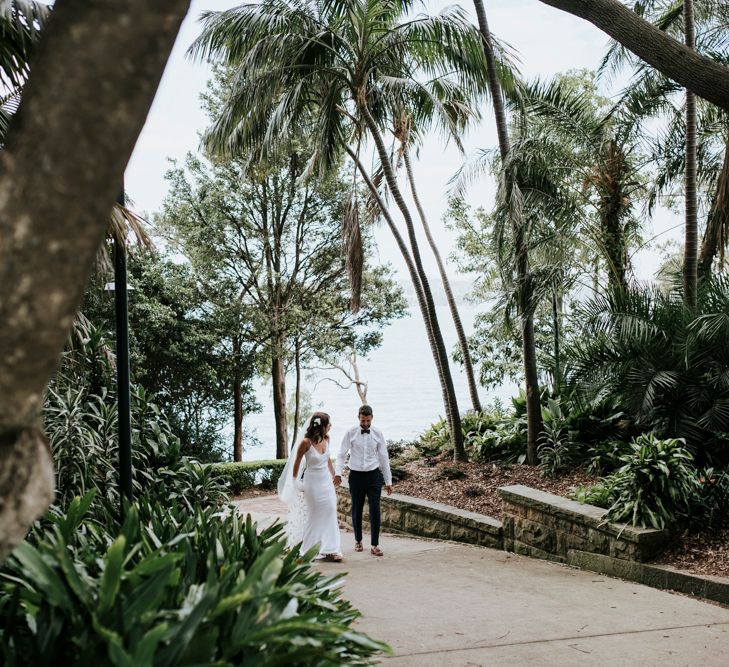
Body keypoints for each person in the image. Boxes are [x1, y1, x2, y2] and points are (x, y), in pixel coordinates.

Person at [278, 411, 343, 562]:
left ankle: (331, 549)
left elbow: (327, 460)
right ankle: (306, 550)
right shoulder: (305, 442)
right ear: (323, 426)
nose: (331, 426)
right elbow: (296, 464)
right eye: (329, 424)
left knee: (331, 511)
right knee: (315, 516)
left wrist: (335, 475)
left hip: (326, 482)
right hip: (312, 483)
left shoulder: (327, 438)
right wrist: (296, 483)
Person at [334, 404, 392, 556]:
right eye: (363, 421)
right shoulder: (351, 432)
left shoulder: (378, 433)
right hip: (356, 476)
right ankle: (358, 540)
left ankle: (374, 545)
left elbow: (384, 457)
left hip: (373, 476)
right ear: (358, 418)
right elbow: (341, 454)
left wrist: (388, 481)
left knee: (375, 510)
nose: (365, 424)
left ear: (372, 418)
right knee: (356, 509)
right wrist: (337, 473)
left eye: (368, 421)